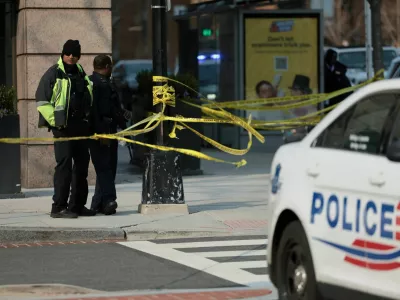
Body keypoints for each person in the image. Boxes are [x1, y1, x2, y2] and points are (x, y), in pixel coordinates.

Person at [35, 40, 95, 218]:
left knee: (82, 167)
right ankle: (59, 207)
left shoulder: (81, 72)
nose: (71, 57)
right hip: (62, 128)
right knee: (64, 167)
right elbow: (42, 100)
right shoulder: (54, 73)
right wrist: (56, 121)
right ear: (63, 54)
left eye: (75, 54)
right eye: (68, 53)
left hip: (81, 127)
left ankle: (76, 205)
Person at [89, 55, 131, 215]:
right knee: (106, 168)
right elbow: (103, 109)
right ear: (107, 66)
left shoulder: (92, 81)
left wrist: (122, 119)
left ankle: (98, 203)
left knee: (106, 167)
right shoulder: (102, 84)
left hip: (103, 130)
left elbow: (114, 108)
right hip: (103, 131)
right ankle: (108, 200)